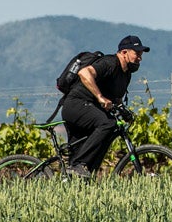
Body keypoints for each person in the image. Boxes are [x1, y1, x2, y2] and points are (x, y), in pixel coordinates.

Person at [62, 34, 149, 177]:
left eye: (141, 54)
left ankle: (77, 174)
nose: (140, 58)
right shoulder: (109, 63)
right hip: (76, 104)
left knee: (104, 136)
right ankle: (79, 165)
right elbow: (84, 73)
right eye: (137, 53)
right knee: (108, 124)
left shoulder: (126, 74)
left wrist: (124, 111)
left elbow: (116, 98)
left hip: (89, 109)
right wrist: (100, 97)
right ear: (124, 52)